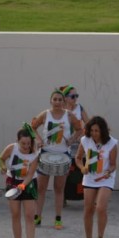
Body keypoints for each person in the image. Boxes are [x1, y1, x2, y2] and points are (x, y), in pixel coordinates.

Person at [31, 89, 81, 230]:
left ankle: (58, 218)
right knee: (41, 188)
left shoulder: (69, 115)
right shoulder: (45, 115)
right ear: (51, 101)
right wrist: (38, 140)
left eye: (60, 100)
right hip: (45, 153)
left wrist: (72, 139)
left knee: (59, 189)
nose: (58, 102)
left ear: (64, 101)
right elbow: (32, 127)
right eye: (55, 99)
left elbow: (80, 129)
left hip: (63, 155)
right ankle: (37, 216)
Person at [74, 116, 118, 238]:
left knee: (100, 207)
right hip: (90, 178)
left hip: (105, 178)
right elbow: (78, 158)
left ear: (103, 131)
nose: (94, 133)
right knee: (88, 209)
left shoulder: (112, 143)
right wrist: (82, 168)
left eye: (97, 131)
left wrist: (108, 171)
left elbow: (113, 164)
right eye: (92, 130)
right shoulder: (85, 140)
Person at [0, 127, 41, 238]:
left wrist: (23, 185)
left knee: (29, 215)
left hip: (28, 184)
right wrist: (2, 166)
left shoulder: (35, 153)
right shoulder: (12, 148)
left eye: (28, 143)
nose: (26, 146)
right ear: (17, 141)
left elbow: (30, 174)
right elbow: (1, 158)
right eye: (23, 143)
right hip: (13, 181)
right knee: (15, 214)